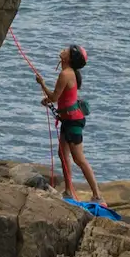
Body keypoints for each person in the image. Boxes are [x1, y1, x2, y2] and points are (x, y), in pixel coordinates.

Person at [43, 42, 101, 204]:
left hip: (73, 121)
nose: (62, 50)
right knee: (63, 154)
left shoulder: (66, 74)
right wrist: (47, 99)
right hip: (68, 120)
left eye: (66, 50)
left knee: (79, 159)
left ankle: (97, 195)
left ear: (69, 58)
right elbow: (61, 97)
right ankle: (68, 191)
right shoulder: (68, 73)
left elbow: (55, 97)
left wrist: (41, 84)